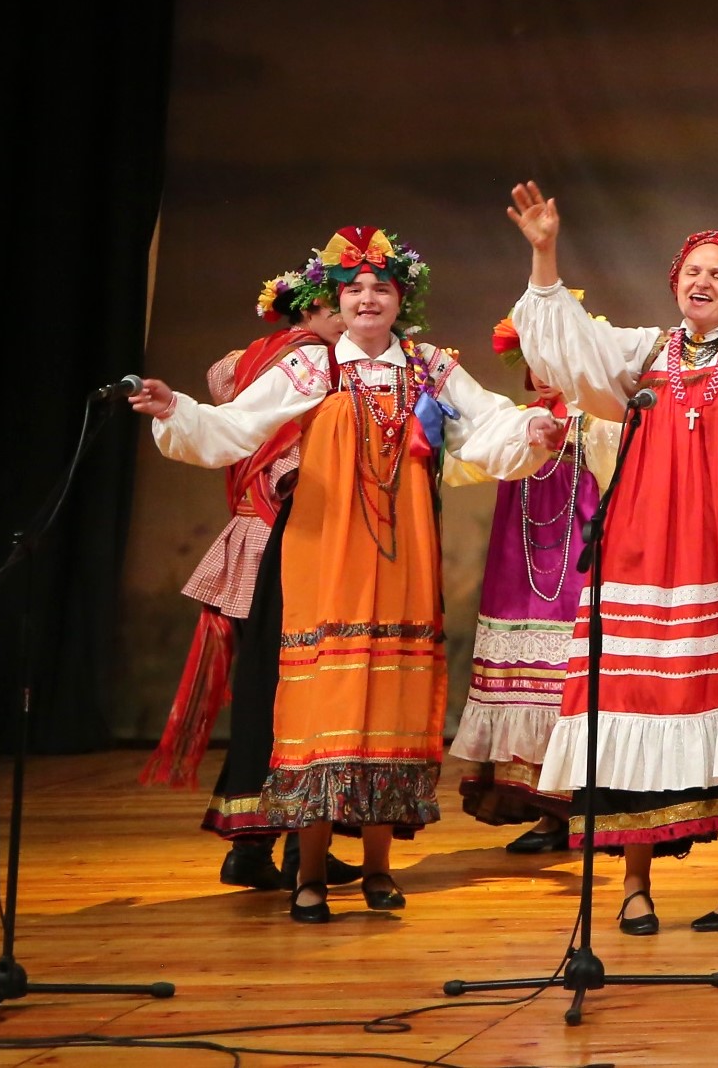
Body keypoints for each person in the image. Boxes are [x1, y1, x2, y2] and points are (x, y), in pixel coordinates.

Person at [133, 228, 562, 923]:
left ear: (401, 299)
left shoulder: (429, 367)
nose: (366, 298)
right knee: (323, 705)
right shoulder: (313, 368)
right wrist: (176, 410)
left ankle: (378, 868)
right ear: (336, 299)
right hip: (325, 555)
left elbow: (485, 426)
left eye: (380, 288)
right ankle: (307, 872)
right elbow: (237, 426)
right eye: (354, 288)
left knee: (390, 702)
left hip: (401, 557)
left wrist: (527, 433)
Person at [506, 177, 718, 934]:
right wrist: (545, 254)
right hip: (642, 544)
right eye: (693, 272)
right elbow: (564, 345)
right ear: (675, 284)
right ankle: (633, 885)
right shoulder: (643, 352)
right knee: (630, 696)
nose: (702, 282)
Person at [142, 265, 344, 893]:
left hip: (249, 538)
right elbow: (295, 467)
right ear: (307, 311)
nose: (348, 318)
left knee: (269, 693)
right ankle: (291, 846)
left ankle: (258, 845)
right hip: (288, 544)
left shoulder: (245, 363)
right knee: (297, 694)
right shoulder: (313, 367)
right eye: (338, 306)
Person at [447, 307, 619, 852]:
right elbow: (464, 461)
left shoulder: (597, 418)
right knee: (524, 673)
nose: (543, 371)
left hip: (578, 557)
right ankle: (542, 805)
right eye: (533, 359)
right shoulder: (516, 422)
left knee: (570, 672)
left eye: (554, 356)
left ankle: (580, 807)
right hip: (518, 564)